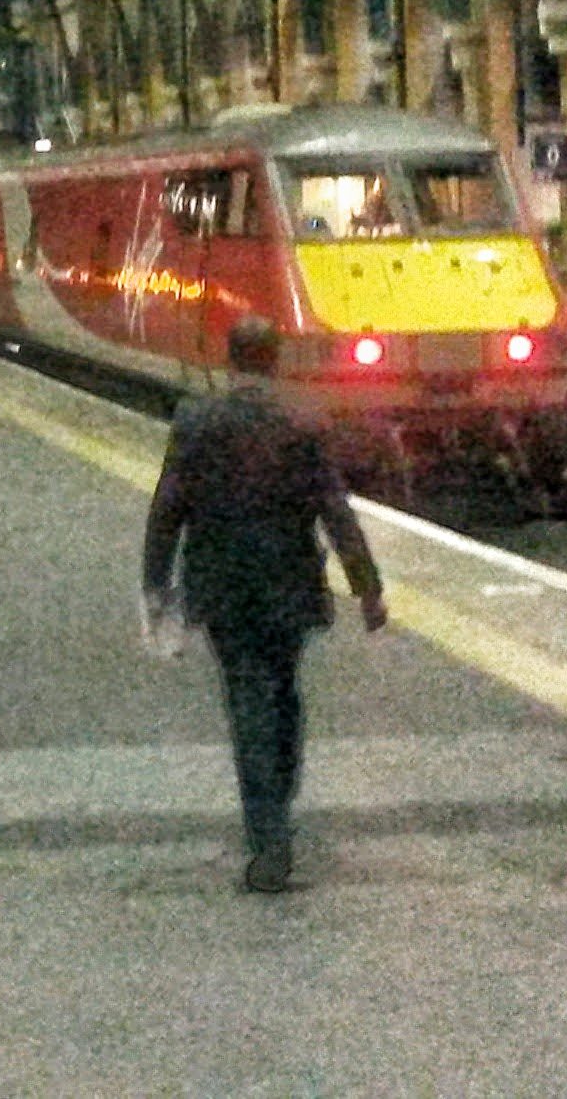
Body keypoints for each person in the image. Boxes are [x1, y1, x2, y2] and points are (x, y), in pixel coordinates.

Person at [142, 316, 388, 894]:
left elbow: (167, 508)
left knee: (247, 700)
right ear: (274, 360)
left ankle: (269, 832)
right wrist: (368, 586)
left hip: (222, 585)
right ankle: (277, 805)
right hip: (290, 583)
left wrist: (156, 588)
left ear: (231, 360)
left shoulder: (197, 420)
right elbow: (335, 509)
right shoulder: (302, 420)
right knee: (282, 695)